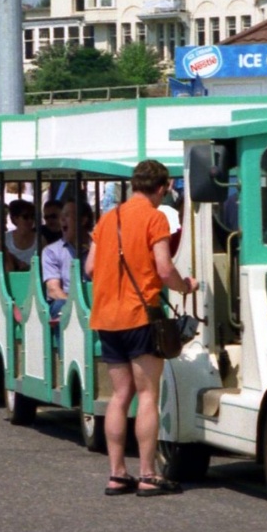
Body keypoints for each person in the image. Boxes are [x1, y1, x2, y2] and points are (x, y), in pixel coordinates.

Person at [85, 159, 198, 497]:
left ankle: (117, 474)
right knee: (148, 393)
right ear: (162, 188)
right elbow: (164, 270)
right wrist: (185, 286)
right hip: (139, 315)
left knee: (121, 396)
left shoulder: (108, 219)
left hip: (107, 318)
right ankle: (148, 474)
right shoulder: (155, 218)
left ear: (134, 184)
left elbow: (90, 267)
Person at [42, 200, 93, 318]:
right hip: (66, 302)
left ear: (83, 220)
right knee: (60, 307)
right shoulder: (51, 251)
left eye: (67, 215)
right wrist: (77, 307)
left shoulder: (99, 246)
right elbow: (53, 290)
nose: (62, 220)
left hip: (97, 300)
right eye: (61, 216)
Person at [4, 198, 37, 270]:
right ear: (14, 219)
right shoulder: (5, 239)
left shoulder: (40, 240)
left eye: (32, 217)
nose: (30, 220)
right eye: (25, 217)